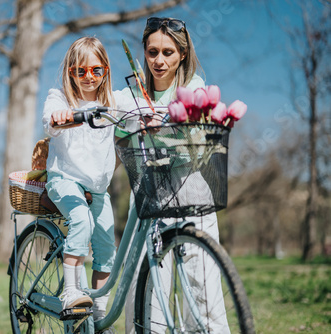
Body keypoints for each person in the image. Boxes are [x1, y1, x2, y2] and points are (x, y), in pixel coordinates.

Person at [119, 17, 230, 333]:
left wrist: (167, 123)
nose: (159, 60)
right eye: (153, 51)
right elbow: (108, 113)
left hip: (190, 193)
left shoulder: (194, 88)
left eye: (168, 52)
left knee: (204, 293)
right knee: (146, 294)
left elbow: (197, 137)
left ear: (182, 54)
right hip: (147, 198)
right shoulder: (134, 93)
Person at [42, 36, 117, 328]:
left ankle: (99, 313)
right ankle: (71, 291)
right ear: (70, 72)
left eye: (96, 70)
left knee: (106, 249)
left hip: (98, 188)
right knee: (82, 222)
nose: (88, 77)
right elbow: (50, 121)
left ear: (106, 71)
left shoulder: (113, 102)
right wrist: (62, 116)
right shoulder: (59, 97)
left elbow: (137, 114)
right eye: (80, 71)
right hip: (64, 179)